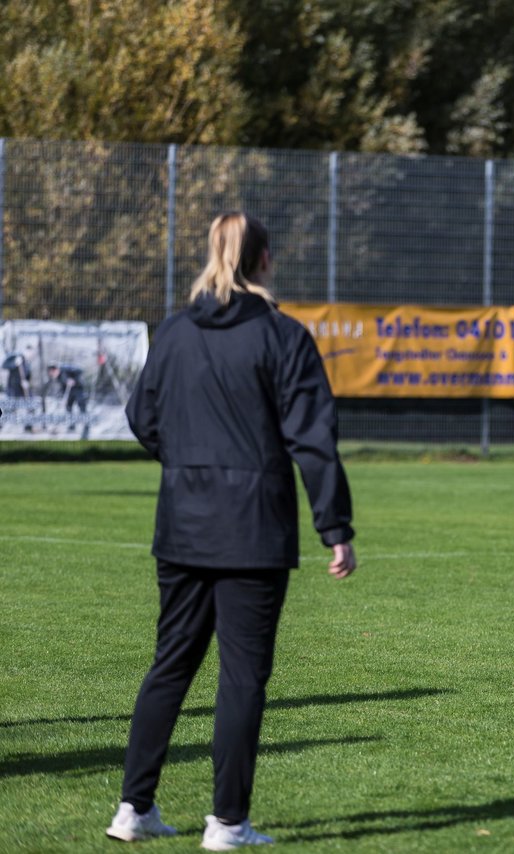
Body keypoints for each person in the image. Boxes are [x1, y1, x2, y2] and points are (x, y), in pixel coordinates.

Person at [107, 212, 357, 849]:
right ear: (265, 260)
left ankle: (133, 811)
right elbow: (313, 439)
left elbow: (142, 417)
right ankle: (227, 824)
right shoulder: (283, 336)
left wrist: (190, 464)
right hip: (253, 529)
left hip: (183, 524)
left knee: (170, 664)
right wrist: (336, 527)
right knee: (242, 676)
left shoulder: (175, 332)